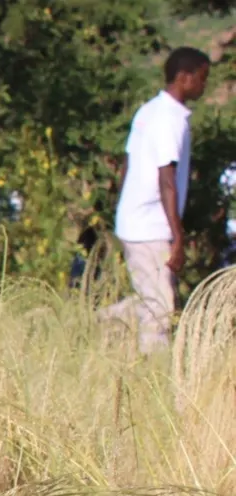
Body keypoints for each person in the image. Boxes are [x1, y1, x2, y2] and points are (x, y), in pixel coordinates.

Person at [108, 47, 211, 352]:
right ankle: (153, 376)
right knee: (160, 310)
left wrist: (122, 211)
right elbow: (167, 180)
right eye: (202, 78)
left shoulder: (148, 110)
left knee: (150, 295)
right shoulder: (169, 119)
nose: (205, 85)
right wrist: (177, 237)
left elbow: (127, 165)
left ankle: (101, 326)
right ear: (184, 77)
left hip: (134, 221)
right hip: (150, 227)